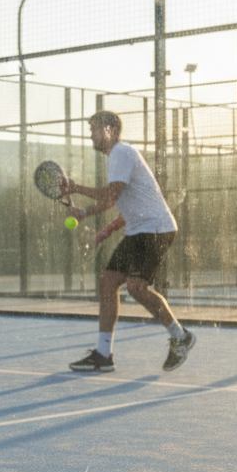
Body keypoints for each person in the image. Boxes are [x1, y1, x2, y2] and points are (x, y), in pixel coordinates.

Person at [63, 109, 195, 373]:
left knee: (136, 286)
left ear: (110, 130)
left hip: (156, 228)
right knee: (109, 281)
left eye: (95, 129)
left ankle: (181, 337)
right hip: (139, 229)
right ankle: (103, 355)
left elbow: (111, 195)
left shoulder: (121, 153)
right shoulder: (116, 157)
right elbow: (121, 200)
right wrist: (86, 213)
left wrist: (76, 188)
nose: (91, 135)